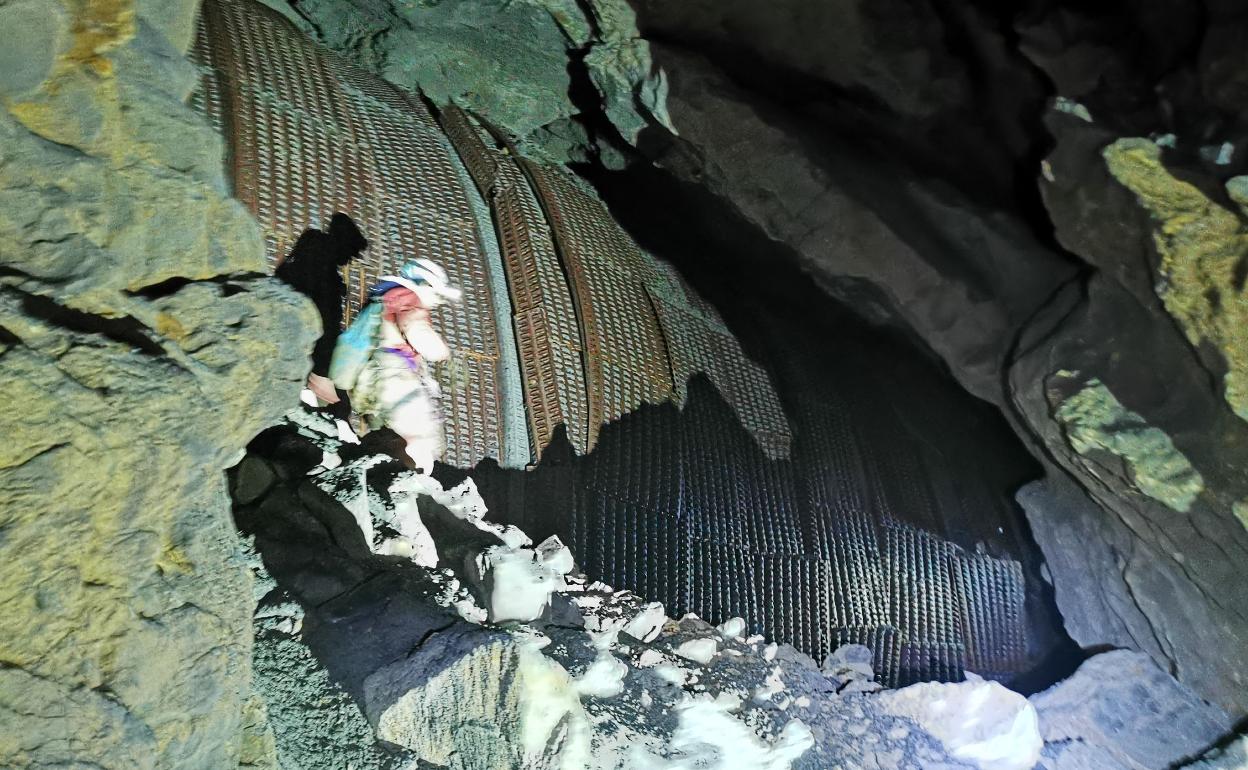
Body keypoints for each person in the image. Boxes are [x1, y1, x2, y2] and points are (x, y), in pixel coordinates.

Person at [330, 259, 462, 473]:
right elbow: (422, 338)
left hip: (370, 383)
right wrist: (445, 355)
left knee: (387, 441)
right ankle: (414, 487)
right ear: (426, 284)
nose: (437, 301)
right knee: (419, 441)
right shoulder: (407, 298)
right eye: (438, 294)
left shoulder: (382, 298)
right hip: (397, 380)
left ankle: (381, 478)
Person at [275, 212, 369, 408]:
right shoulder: (326, 278)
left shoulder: (298, 260)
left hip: (280, 339)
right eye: (352, 254)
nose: (350, 260)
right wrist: (321, 371)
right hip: (303, 357)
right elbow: (326, 325)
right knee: (337, 408)